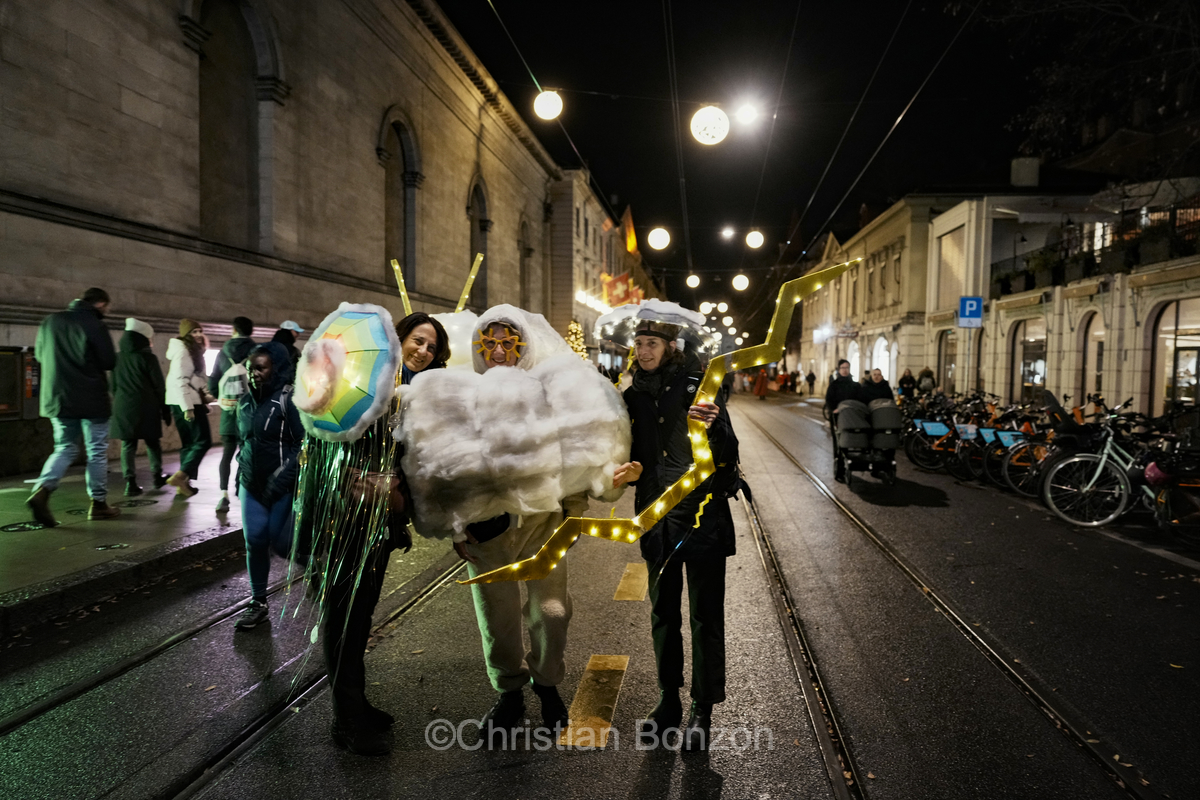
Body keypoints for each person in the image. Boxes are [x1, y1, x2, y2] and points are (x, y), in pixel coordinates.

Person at [451, 308, 600, 743]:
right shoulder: (465, 396)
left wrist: (574, 512)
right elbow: (448, 465)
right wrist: (456, 524)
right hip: (487, 529)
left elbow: (574, 455)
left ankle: (547, 683)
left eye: (507, 342)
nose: (498, 351)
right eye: (489, 342)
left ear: (523, 345)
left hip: (543, 523)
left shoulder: (549, 394)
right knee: (496, 618)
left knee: (552, 611)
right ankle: (509, 692)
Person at [312, 311, 448, 756]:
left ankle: (357, 704)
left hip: (381, 523)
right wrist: (356, 477)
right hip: (346, 521)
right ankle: (346, 720)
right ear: (399, 338)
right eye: (418, 340)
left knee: (362, 615)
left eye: (431, 347)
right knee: (344, 617)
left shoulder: (413, 396)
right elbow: (329, 439)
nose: (423, 351)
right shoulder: (367, 384)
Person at [616, 320, 740, 752]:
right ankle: (668, 699)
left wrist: (716, 426)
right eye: (638, 343)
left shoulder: (699, 386)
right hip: (656, 519)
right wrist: (629, 469)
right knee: (663, 614)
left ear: (671, 345)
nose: (643, 351)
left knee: (706, 617)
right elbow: (632, 454)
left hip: (702, 516)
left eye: (651, 343)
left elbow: (728, 451)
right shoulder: (632, 395)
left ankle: (702, 709)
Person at [26, 287, 120, 526]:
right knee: (96, 450)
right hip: (91, 398)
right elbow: (109, 361)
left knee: (64, 447)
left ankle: (42, 490)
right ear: (101, 304)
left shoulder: (50, 321)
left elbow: (40, 355)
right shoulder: (95, 324)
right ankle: (99, 504)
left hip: (58, 397)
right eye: (107, 308)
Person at [232, 342, 303, 631]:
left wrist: (282, 479)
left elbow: (303, 445)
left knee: (282, 543)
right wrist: (240, 475)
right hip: (251, 484)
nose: (254, 374)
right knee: (255, 541)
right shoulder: (244, 403)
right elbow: (243, 442)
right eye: (251, 369)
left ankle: (314, 563)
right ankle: (258, 602)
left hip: (282, 485)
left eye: (261, 368)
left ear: (276, 368)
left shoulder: (289, 400)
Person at [110, 318, 169, 496]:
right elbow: (159, 386)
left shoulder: (117, 358)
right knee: (152, 443)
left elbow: (112, 386)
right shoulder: (148, 358)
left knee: (128, 445)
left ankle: (130, 483)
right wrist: (165, 408)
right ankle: (157, 476)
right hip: (146, 406)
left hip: (123, 406)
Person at [208, 316, 255, 513]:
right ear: (251, 331)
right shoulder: (256, 351)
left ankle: (223, 495)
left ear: (233, 330)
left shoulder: (222, 352)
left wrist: (222, 398)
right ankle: (242, 489)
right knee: (247, 452)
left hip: (228, 412)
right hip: (249, 412)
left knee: (226, 454)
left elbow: (213, 381)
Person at [165, 319, 213, 498]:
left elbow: (194, 379)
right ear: (186, 335)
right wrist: (188, 408)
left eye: (200, 331)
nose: (199, 335)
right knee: (203, 441)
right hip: (187, 403)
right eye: (194, 332)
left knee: (189, 444)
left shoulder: (190, 351)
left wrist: (206, 393)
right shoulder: (184, 352)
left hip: (180, 401)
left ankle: (184, 484)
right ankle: (181, 476)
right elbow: (180, 381)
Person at [824, 359, 860, 483]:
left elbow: (860, 400)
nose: (845, 370)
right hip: (838, 419)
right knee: (839, 443)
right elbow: (829, 400)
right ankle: (840, 469)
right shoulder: (834, 385)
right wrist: (833, 409)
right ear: (839, 370)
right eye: (843, 368)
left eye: (847, 368)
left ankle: (851, 463)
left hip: (852, 418)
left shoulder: (855, 385)